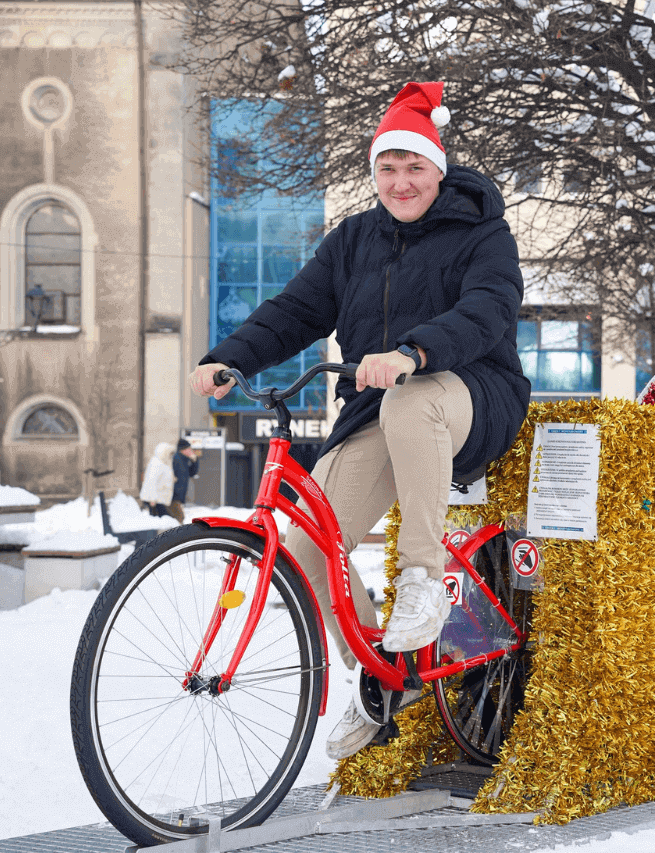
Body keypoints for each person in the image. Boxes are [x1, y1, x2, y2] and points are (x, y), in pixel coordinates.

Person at [188, 81, 529, 759]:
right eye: (387, 168)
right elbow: (294, 311)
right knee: (311, 548)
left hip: (472, 389)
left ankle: (424, 582)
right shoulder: (353, 241)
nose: (401, 183)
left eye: (415, 167)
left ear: (438, 167)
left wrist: (414, 351)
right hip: (380, 407)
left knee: (413, 397)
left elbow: (490, 309)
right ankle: (386, 681)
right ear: (373, 172)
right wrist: (230, 357)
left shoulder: (482, 229)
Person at [139, 441, 176, 517]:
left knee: (162, 520)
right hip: (155, 499)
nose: (170, 456)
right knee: (163, 519)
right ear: (164, 453)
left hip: (161, 498)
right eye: (169, 453)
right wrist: (152, 499)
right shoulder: (156, 463)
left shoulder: (164, 463)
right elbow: (151, 481)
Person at [169, 438, 200, 522]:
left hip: (179, 496)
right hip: (174, 496)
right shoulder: (176, 459)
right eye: (189, 449)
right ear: (183, 450)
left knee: (177, 519)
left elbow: (192, 473)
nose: (191, 451)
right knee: (179, 518)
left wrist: (195, 461)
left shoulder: (184, 460)